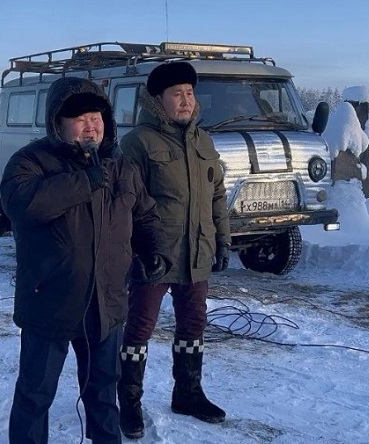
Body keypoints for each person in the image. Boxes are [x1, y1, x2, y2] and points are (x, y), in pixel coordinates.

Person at [1, 77, 170, 444]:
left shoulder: (121, 166)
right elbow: (23, 205)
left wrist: (155, 250)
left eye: (96, 117)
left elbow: (145, 215)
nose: (91, 126)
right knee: (35, 394)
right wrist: (84, 181)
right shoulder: (30, 161)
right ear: (57, 123)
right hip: (50, 302)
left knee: (103, 393)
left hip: (105, 303)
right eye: (80, 119)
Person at [117, 61, 232, 439]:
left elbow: (217, 195)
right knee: (140, 327)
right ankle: (128, 402)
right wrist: (136, 251)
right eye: (176, 94)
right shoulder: (138, 142)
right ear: (158, 100)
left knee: (194, 324)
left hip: (196, 252)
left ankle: (188, 393)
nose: (185, 101)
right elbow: (125, 204)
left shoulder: (204, 141)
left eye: (189, 93)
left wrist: (223, 240)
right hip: (155, 254)